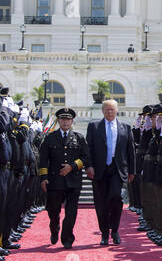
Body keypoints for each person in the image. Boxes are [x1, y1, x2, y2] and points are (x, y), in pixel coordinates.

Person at [86, 100, 136, 245]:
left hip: (117, 169)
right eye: (107, 110)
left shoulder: (125, 127)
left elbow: (130, 151)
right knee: (101, 202)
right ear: (102, 111)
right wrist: (89, 166)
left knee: (116, 198)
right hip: (99, 170)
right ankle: (104, 233)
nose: (109, 112)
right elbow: (88, 149)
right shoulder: (94, 127)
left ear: (116, 110)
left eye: (112, 110)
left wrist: (132, 171)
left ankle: (114, 230)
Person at [38, 108, 89, 249]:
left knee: (71, 212)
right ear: (59, 121)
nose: (65, 122)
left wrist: (72, 166)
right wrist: (43, 177)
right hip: (55, 181)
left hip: (74, 180)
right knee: (53, 210)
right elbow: (43, 159)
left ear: (72, 121)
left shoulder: (79, 137)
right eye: (62, 119)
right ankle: (54, 229)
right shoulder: (50, 138)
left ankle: (67, 237)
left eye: (68, 119)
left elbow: (85, 157)